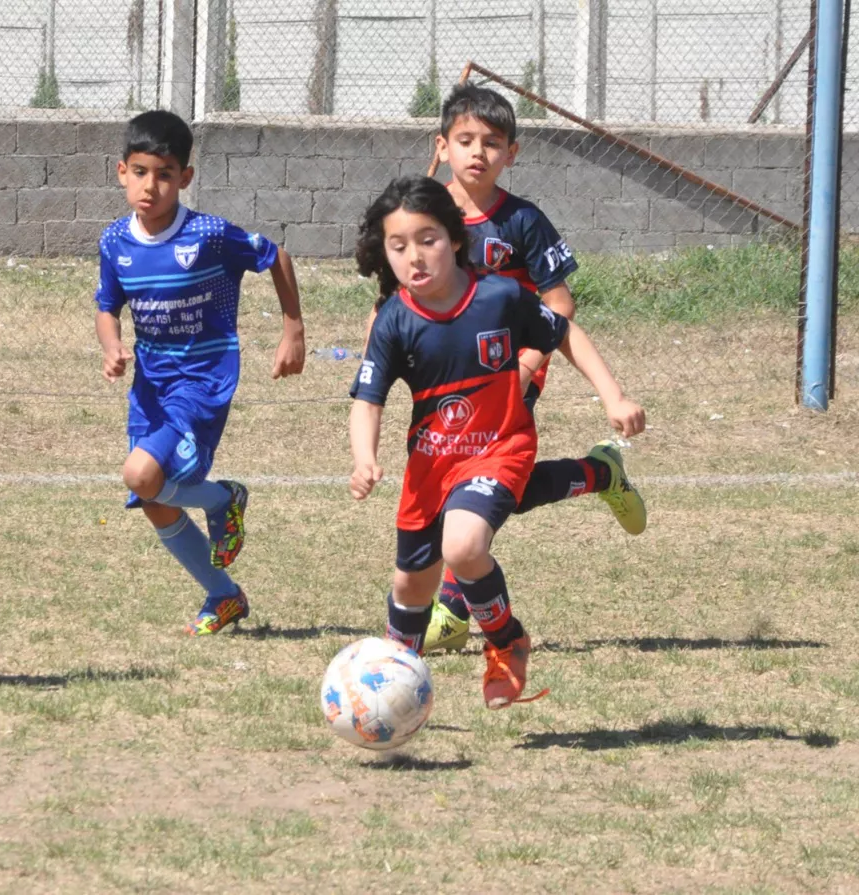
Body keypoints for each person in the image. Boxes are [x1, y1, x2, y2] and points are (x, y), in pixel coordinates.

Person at [349, 175, 645, 708]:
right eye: (399, 247)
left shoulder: (499, 296)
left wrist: (614, 396)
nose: (415, 257)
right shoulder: (394, 319)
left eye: (428, 240)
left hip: (500, 446)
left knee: (462, 547)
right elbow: (367, 399)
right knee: (410, 588)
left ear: (456, 239)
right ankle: (397, 686)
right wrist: (364, 457)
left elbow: (565, 333)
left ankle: (507, 641)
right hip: (431, 465)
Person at [378, 84, 649, 652]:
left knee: (480, 483)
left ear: (512, 153)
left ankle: (452, 608)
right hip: (446, 378)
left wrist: (528, 362)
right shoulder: (423, 214)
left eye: (493, 143)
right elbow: (394, 295)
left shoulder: (523, 221)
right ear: (442, 146)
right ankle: (597, 474)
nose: (478, 152)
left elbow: (561, 306)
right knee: (497, 490)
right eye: (466, 140)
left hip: (509, 369)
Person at [95, 109, 306, 635]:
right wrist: (112, 344)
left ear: (185, 178)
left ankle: (220, 499)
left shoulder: (208, 235)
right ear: (121, 171)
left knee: (141, 475)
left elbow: (274, 255)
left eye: (165, 174)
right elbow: (107, 305)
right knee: (153, 500)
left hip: (202, 379)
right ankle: (223, 594)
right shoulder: (114, 243)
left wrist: (293, 328)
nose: (151, 186)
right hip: (151, 386)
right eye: (141, 172)